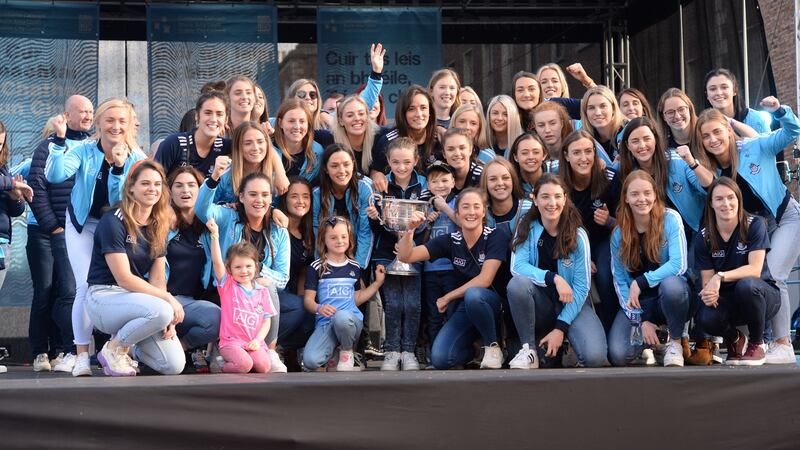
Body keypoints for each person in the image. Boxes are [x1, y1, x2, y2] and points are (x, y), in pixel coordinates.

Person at [694, 96, 800, 363]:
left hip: (783, 218)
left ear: (729, 130)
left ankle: (782, 343)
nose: (713, 139)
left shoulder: (754, 147)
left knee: (773, 275)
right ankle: (747, 344)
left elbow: (792, 132)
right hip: (751, 228)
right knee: (744, 284)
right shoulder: (713, 169)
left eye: (718, 131)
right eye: (706, 136)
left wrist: (780, 111)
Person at [46, 98, 147, 377]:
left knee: (120, 287)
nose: (115, 126)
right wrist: (59, 140)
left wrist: (118, 167)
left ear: (129, 125)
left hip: (115, 228)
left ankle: (117, 351)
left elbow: (120, 201)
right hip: (82, 224)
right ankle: (81, 355)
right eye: (110, 120)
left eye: (121, 121)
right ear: (99, 123)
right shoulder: (83, 149)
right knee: (84, 286)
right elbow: (55, 175)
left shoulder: (137, 158)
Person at [84, 160, 185, 376]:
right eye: (145, 183)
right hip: (104, 298)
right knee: (162, 309)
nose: (152, 189)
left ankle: (129, 349)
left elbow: (158, 280)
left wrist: (168, 319)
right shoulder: (113, 221)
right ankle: (112, 349)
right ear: (131, 187)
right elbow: (124, 279)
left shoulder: (158, 224)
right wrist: (168, 301)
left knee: (173, 365)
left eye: (157, 184)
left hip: (137, 303)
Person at [397, 188, 511, 370]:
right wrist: (410, 229)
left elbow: (485, 280)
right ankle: (473, 352)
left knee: (474, 294)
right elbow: (405, 256)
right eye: (465, 207)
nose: (471, 212)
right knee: (440, 358)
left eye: (476, 207)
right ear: (457, 213)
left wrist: (448, 297)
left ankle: (492, 347)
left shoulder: (496, 235)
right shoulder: (450, 240)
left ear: (484, 212)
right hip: (468, 306)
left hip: (495, 306)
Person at [507, 174, 607, 368]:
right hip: (541, 305)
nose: (551, 203)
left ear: (565, 198)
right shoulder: (526, 227)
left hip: (572, 304)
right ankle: (529, 351)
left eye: (557, 196)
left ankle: (567, 339)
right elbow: (517, 267)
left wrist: (560, 328)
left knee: (594, 357)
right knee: (517, 285)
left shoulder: (578, 235)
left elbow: (581, 289)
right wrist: (554, 278)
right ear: (535, 199)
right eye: (545, 197)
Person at [196, 171, 291, 372]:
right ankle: (225, 350)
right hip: (226, 290)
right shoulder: (229, 217)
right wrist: (213, 179)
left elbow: (282, 278)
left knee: (270, 288)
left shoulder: (278, 229)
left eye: (265, 195)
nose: (259, 200)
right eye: (253, 194)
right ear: (241, 197)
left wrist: (255, 273)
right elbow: (202, 210)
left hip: (255, 295)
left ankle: (269, 351)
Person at [27, 95, 93, 373]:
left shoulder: (92, 146)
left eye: (91, 111)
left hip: (74, 232)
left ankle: (64, 349)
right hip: (46, 231)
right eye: (82, 111)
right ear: (67, 115)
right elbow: (37, 189)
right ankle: (41, 351)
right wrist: (54, 226)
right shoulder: (50, 146)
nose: (88, 116)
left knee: (68, 291)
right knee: (45, 292)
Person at [694, 178, 780, 366]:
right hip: (729, 301)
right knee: (704, 316)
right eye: (719, 199)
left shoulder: (755, 224)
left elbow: (755, 270)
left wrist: (720, 276)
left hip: (763, 297)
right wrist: (709, 293)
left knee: (746, 285)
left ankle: (758, 343)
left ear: (739, 199)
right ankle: (735, 339)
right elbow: (707, 281)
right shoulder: (704, 236)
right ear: (711, 203)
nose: (726, 204)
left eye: (731, 197)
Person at [608, 170, 690, 367]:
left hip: (668, 297)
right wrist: (640, 319)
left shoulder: (670, 219)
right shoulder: (619, 234)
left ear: (655, 194)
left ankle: (675, 341)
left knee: (672, 286)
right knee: (618, 355)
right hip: (640, 304)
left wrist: (642, 281)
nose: (641, 199)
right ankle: (657, 342)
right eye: (634, 194)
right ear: (626, 198)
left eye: (647, 193)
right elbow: (619, 281)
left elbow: (679, 265)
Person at [365, 138, 427, 371]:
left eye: (407, 162)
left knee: (411, 303)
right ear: (388, 162)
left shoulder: (423, 186)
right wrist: (374, 217)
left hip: (413, 252)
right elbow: (379, 226)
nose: (402, 167)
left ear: (416, 161)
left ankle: (409, 351)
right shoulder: (380, 186)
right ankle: (391, 350)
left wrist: (410, 239)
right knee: (392, 303)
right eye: (396, 162)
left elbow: (424, 224)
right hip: (385, 253)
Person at [302, 216, 386, 371]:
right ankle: (334, 352)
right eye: (333, 237)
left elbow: (357, 298)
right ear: (323, 240)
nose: (339, 241)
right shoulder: (316, 267)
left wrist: (377, 283)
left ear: (349, 238)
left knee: (341, 317)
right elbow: (308, 300)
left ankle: (347, 351)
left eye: (344, 236)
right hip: (326, 323)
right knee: (310, 361)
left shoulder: (354, 266)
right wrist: (319, 308)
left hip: (349, 322)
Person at [559, 130, 621, 332]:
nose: (584, 158)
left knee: (604, 274)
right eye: (577, 153)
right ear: (566, 156)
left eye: (588, 151)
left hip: (604, 240)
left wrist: (610, 220)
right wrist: (582, 255)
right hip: (571, 243)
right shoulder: (558, 183)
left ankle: (612, 328)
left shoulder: (610, 178)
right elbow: (553, 225)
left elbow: (628, 221)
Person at [165, 167, 222, 372]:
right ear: (169, 191)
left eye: (191, 185)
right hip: (165, 298)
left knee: (217, 317)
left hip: (195, 302)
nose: (185, 190)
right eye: (178, 185)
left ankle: (184, 347)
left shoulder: (209, 226)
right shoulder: (162, 223)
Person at [205, 219, 277, 374]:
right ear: (229, 269)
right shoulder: (228, 286)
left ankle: (242, 365)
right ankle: (221, 364)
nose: (244, 271)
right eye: (238, 267)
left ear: (256, 266)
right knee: (244, 365)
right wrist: (215, 236)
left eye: (248, 266)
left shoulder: (262, 291)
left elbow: (266, 321)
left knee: (264, 366)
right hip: (231, 343)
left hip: (252, 342)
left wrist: (258, 341)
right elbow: (217, 262)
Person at [418, 162, 458, 364]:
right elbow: (419, 239)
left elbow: (464, 223)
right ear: (428, 184)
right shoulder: (425, 205)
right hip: (431, 270)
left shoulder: (458, 201)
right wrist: (427, 222)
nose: (440, 185)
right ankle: (435, 356)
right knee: (433, 315)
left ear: (453, 181)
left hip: (452, 269)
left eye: (444, 180)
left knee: (451, 312)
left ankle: (451, 353)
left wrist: (445, 208)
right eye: (435, 181)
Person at [313, 144, 374, 269]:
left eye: (346, 164)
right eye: (334, 166)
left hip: (358, 250)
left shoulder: (365, 188)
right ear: (326, 168)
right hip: (330, 253)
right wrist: (322, 265)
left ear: (353, 164)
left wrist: (358, 267)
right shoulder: (318, 193)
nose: (341, 171)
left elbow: (365, 231)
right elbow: (317, 231)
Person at [276, 178, 316, 364]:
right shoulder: (276, 226)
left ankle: (290, 350)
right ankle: (268, 344)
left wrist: (304, 298)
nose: (301, 201)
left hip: (292, 292)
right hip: (273, 291)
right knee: (300, 307)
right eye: (294, 196)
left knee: (309, 310)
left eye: (305, 196)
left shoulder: (308, 232)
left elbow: (304, 272)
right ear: (285, 199)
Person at [370, 85, 438, 193]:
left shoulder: (439, 140)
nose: (419, 114)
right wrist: (376, 175)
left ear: (430, 112)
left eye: (423, 108)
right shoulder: (388, 141)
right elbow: (375, 170)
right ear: (403, 113)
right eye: (411, 109)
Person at [154, 91, 231, 178]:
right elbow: (155, 180)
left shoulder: (226, 147)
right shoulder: (174, 143)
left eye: (219, 114)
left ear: (226, 120)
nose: (213, 119)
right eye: (208, 113)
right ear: (197, 116)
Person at [213, 121, 290, 203]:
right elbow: (207, 209)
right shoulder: (225, 175)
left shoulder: (276, 176)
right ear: (238, 147)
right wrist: (227, 208)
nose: (255, 148)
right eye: (248, 143)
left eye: (260, 142)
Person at [704, 68, 771, 134]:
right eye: (712, 89)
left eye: (724, 87)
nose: (719, 93)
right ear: (707, 95)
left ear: (734, 91)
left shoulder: (756, 119)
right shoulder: (703, 125)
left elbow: (768, 144)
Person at [272, 100, 324, 184]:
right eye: (291, 121)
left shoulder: (317, 153)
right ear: (280, 123)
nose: (297, 126)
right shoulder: (268, 148)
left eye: (302, 121)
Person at [331, 95, 382, 177]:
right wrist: (323, 114)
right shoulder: (329, 139)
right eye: (350, 115)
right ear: (341, 121)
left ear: (367, 116)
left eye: (361, 114)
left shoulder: (380, 137)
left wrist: (377, 172)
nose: (357, 118)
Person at [481, 157, 531, 231]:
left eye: (505, 178)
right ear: (485, 183)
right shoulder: (480, 214)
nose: (500, 183)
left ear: (513, 180)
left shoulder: (529, 210)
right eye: (493, 179)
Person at [580, 85, 625, 164]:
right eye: (591, 108)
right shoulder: (583, 138)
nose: (598, 113)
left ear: (613, 108)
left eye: (603, 106)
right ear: (585, 112)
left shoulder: (628, 131)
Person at [441, 128, 483, 194]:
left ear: (470, 150)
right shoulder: (439, 173)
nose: (457, 153)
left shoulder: (481, 175)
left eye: (462, 148)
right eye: (451, 149)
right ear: (444, 154)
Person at [508, 132, 547, 197]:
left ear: (544, 155)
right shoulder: (510, 182)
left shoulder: (557, 170)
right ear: (515, 157)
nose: (531, 157)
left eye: (536, 152)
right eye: (525, 153)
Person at [484, 95, 523, 159]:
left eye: (506, 114)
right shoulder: (484, 145)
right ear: (488, 115)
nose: (499, 118)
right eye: (495, 113)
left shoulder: (522, 144)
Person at [428, 68, 461, 133]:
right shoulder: (423, 123)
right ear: (431, 91)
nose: (447, 92)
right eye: (442, 87)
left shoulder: (460, 124)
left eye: (452, 88)